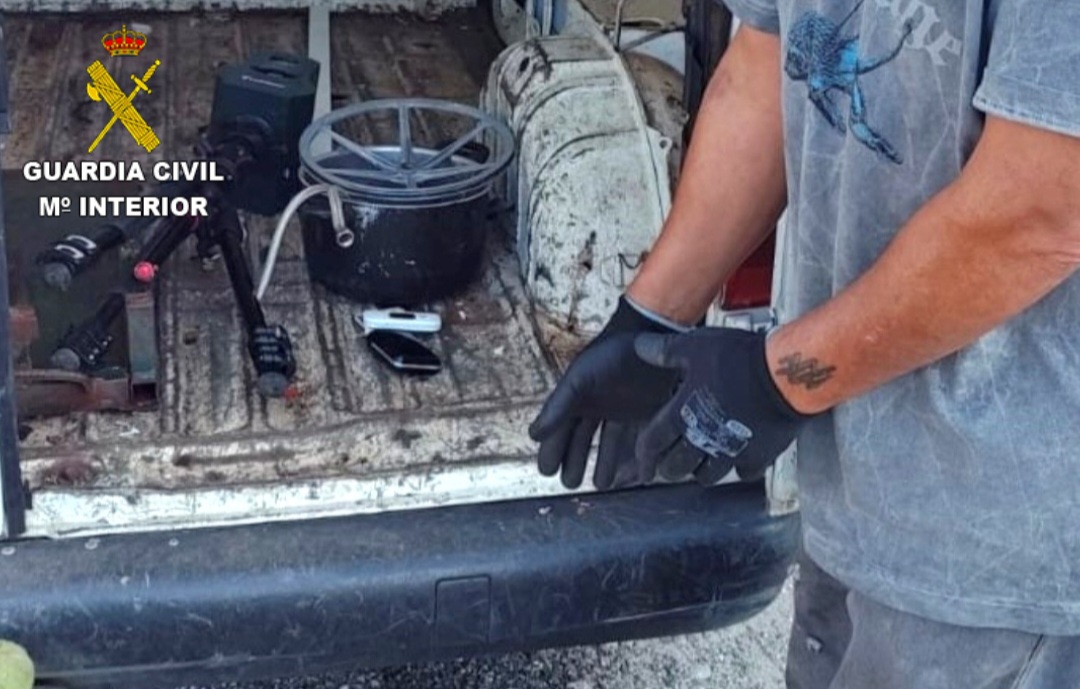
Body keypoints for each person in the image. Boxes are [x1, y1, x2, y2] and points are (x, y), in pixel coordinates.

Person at [527, 1, 1080, 687]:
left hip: (1007, 540)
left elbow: (1040, 211)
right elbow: (765, 67)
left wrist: (778, 379)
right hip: (859, 484)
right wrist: (653, 317)